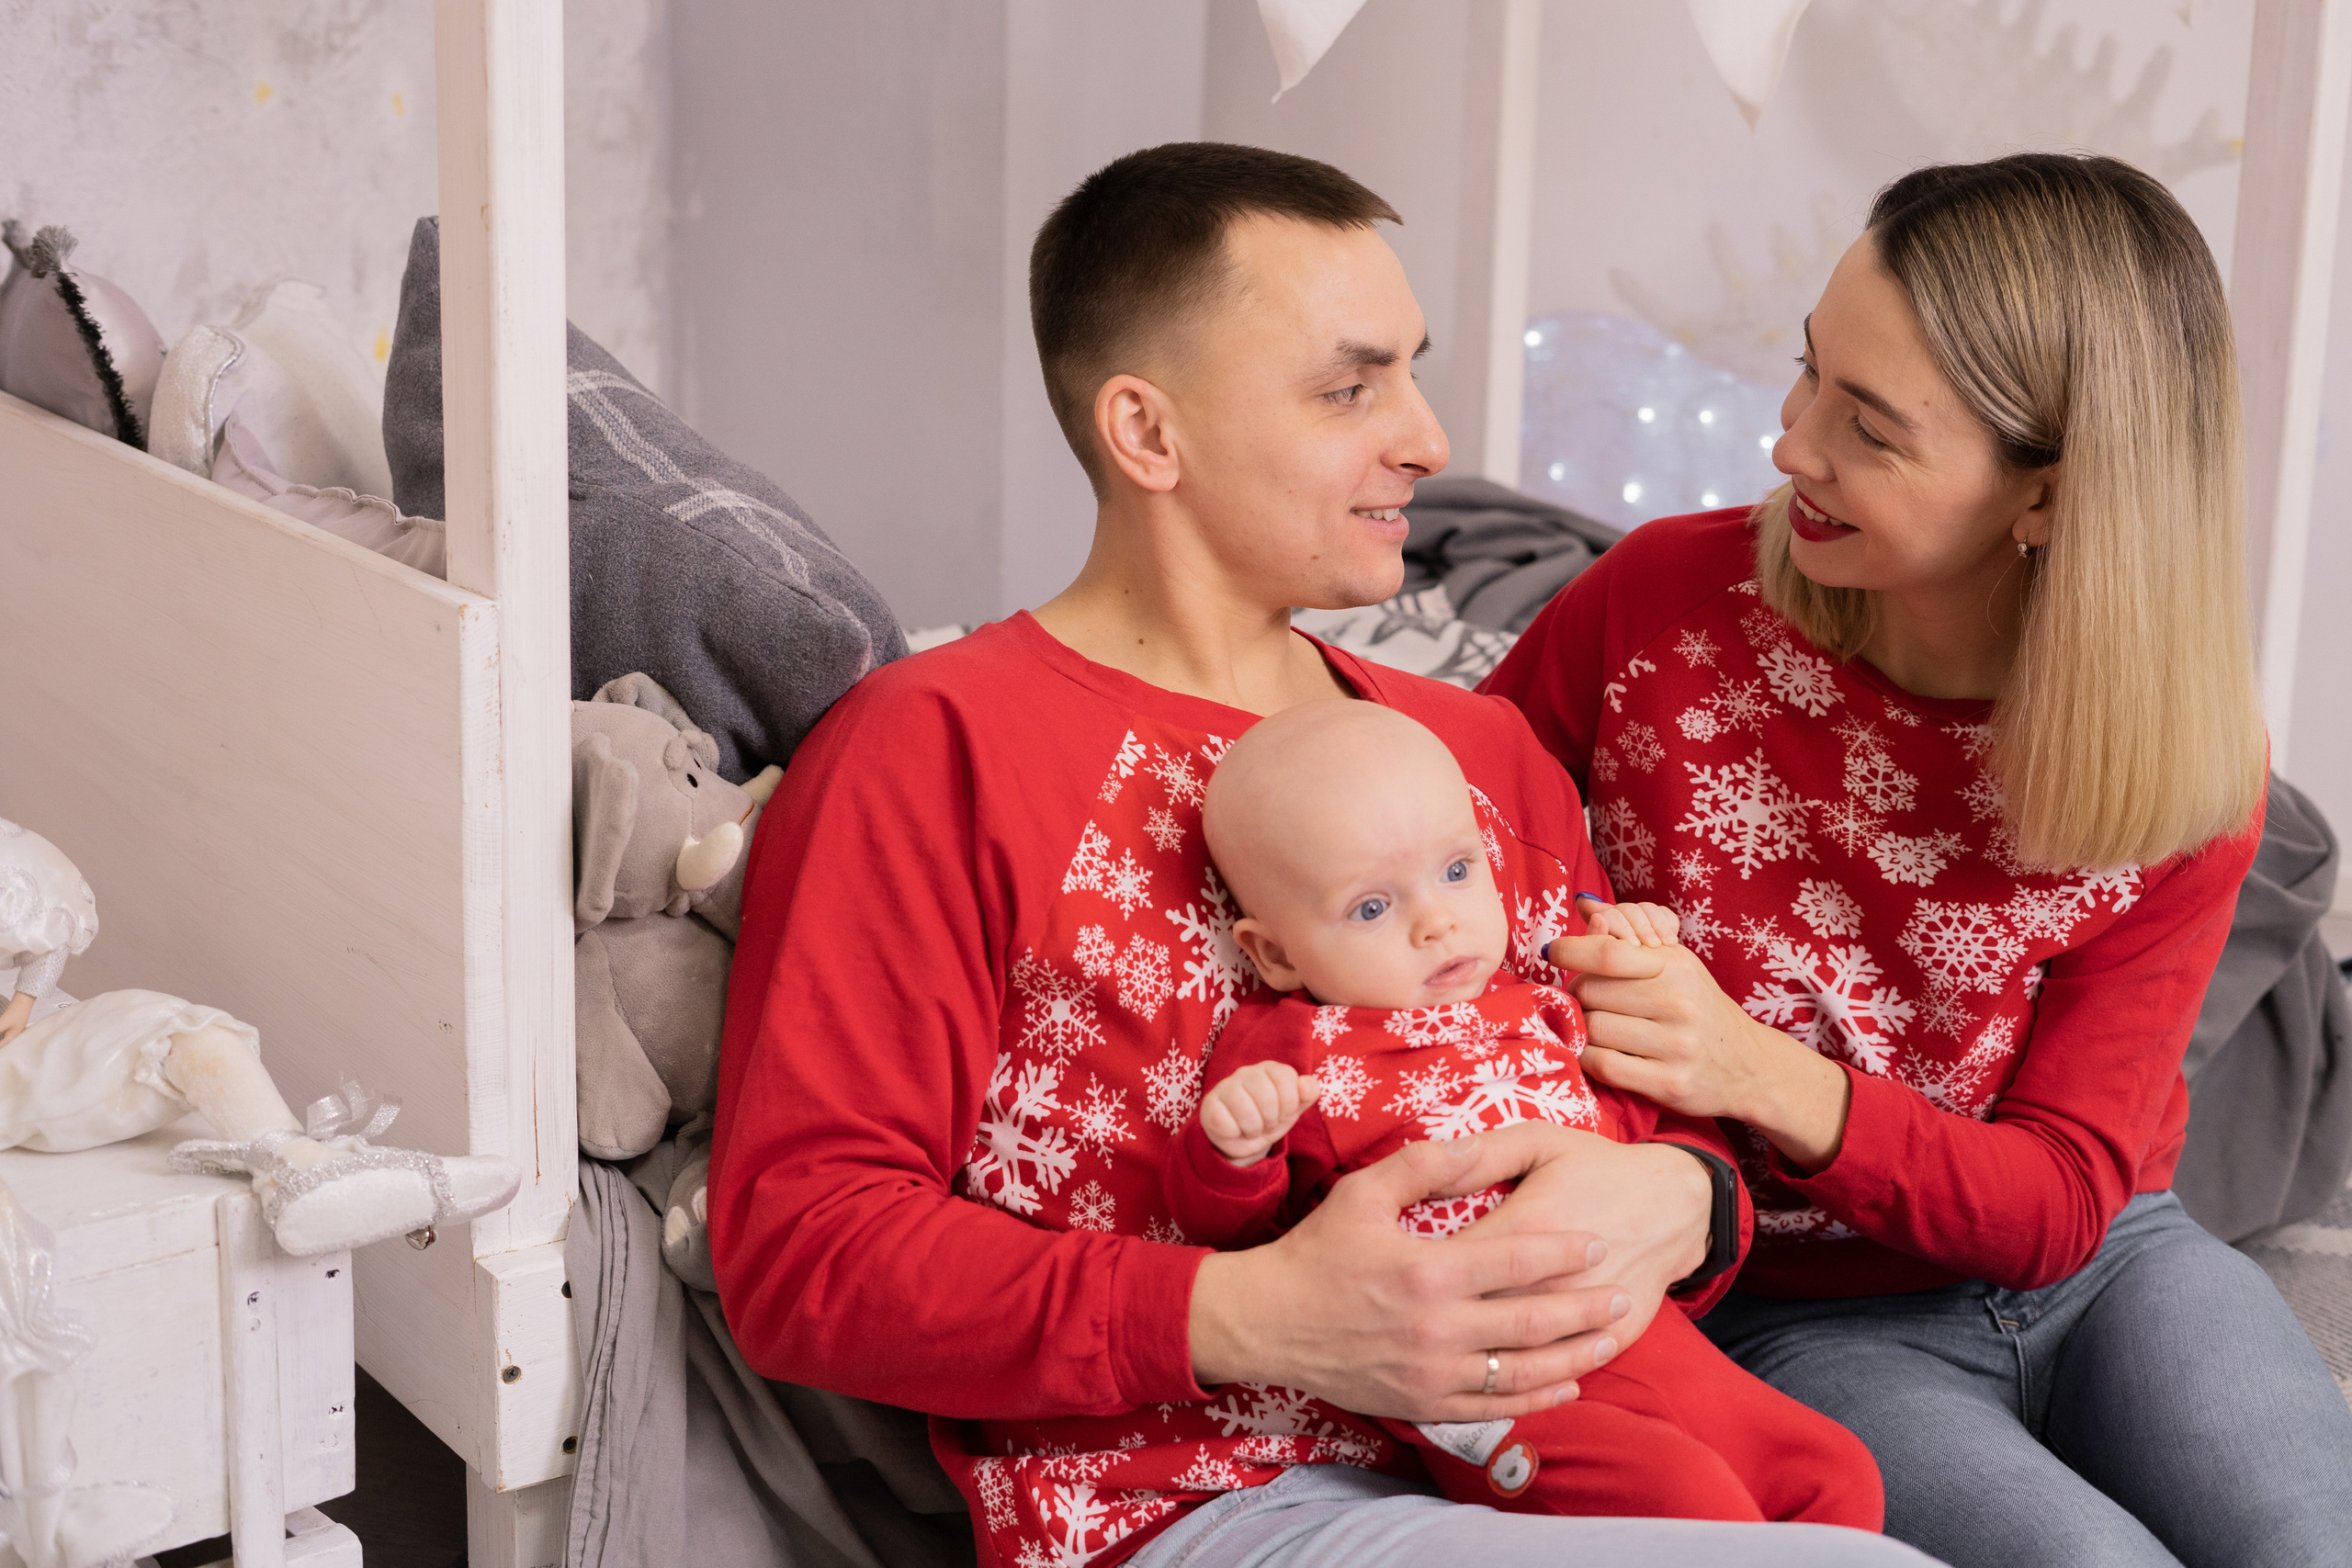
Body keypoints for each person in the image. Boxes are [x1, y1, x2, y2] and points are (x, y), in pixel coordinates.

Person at [711, 142, 1940, 1568]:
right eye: (1351, 388)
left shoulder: (1473, 754)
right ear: (1148, 434)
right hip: (1202, 1502)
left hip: (1593, 1438)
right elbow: (805, 1254)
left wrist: (1685, 1201)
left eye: (1411, 373)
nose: (1424, 435)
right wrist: (1255, 1316)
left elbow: (1659, 1110)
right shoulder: (936, 746)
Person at [1482, 152, 2352, 1568]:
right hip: (1792, 1299)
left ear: (2051, 499)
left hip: (2106, 1259)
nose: (1790, 448)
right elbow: (1453, 852)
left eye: (1868, 429)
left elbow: (2067, 1196)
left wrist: (1753, 1067)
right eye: (1809, 375)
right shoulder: (1652, 612)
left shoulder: (2185, 760)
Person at [1165, 698, 1883, 1529]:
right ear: (1276, 953)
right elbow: (1237, 1235)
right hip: (1496, 1381)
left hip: (1643, 1331)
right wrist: (1234, 1154)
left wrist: (1638, 959)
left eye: (1458, 870)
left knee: (1834, 1473)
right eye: (1372, 908)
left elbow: (1640, 1116)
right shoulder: (1297, 1050)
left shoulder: (1540, 1003)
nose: (1438, 921)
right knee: (1690, 1509)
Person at [0, 817, 517, 1254]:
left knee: (170, 1023)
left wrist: (23, 1003)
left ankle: (300, 1170)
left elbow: (41, 907)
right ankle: (313, 1181)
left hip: (25, 1033)